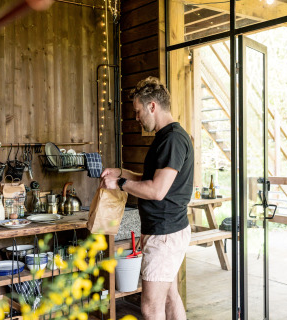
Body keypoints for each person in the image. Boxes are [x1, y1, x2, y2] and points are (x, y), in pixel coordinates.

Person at [100, 77, 193, 320]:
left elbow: (156, 191)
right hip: (165, 230)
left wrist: (120, 184)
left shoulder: (172, 139)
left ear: (152, 106)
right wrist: (121, 173)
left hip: (165, 233)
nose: (137, 117)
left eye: (138, 111)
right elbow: (150, 179)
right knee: (171, 296)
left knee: (151, 309)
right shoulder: (167, 137)